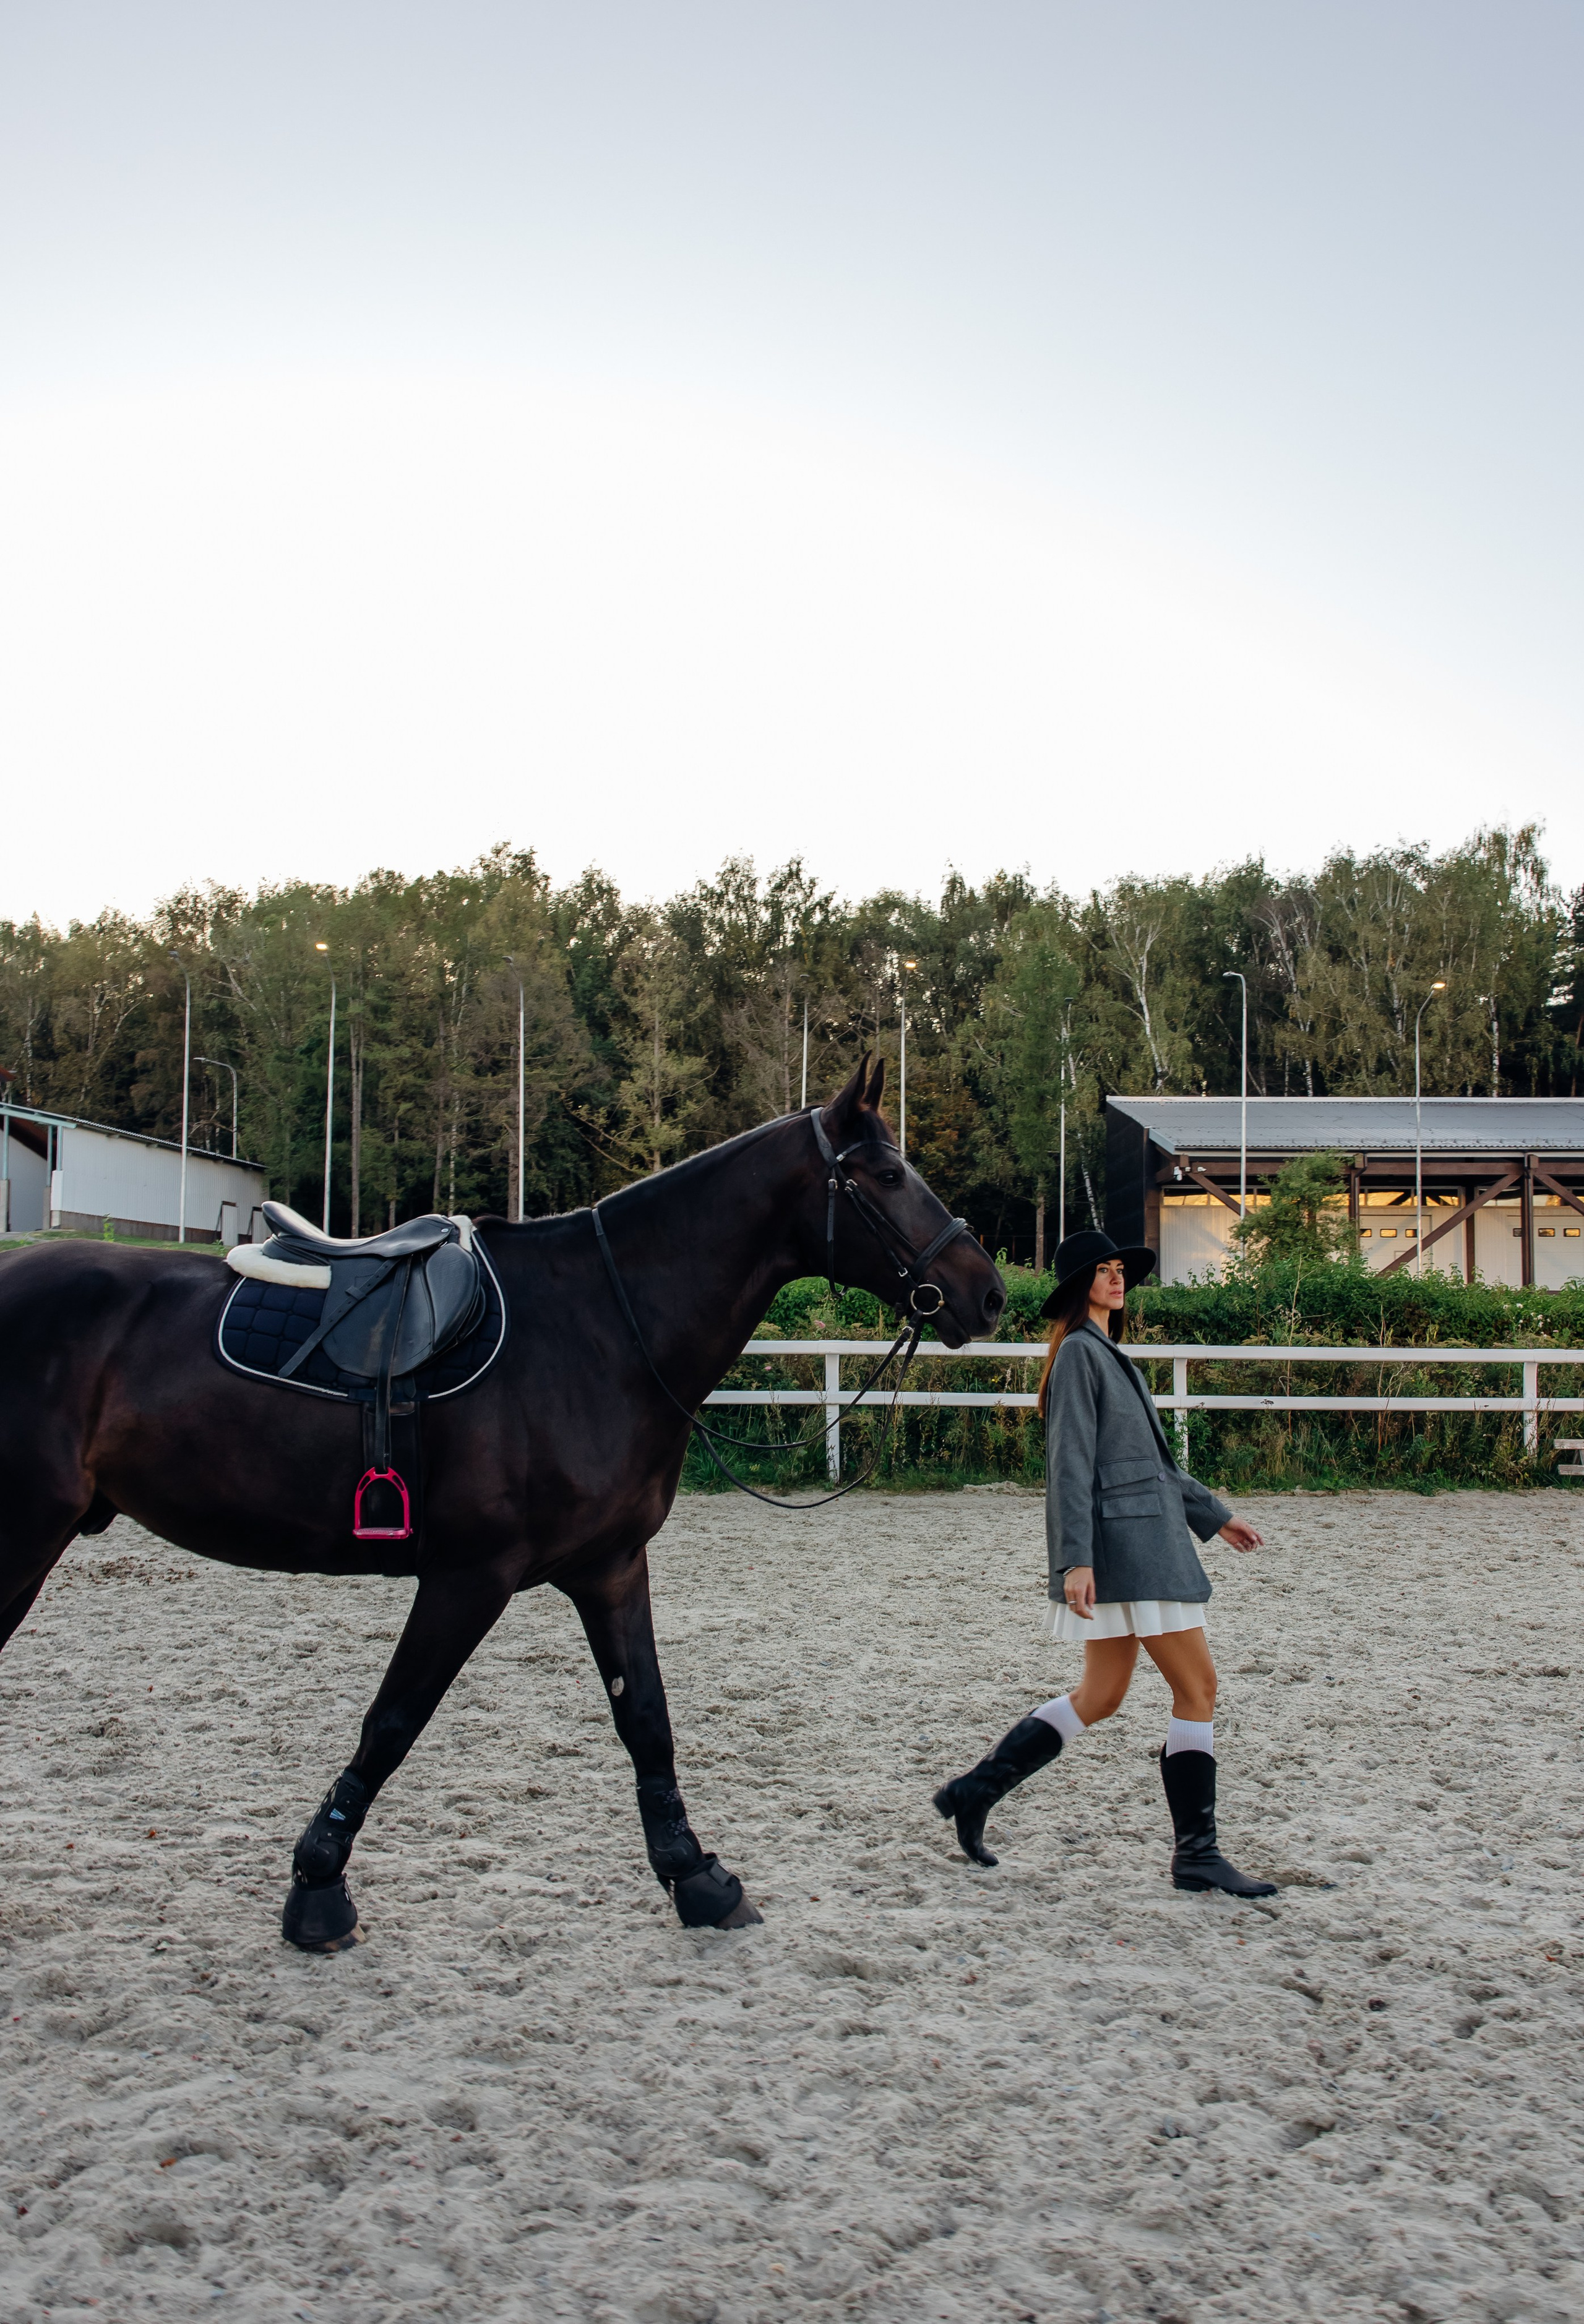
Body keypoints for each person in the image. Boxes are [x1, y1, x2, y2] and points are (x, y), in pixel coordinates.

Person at [933, 1228, 1276, 1898]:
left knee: (1102, 1695)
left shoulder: (1107, 1354)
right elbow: (1070, 1467)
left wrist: (1214, 1513)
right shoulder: (1079, 1359)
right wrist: (1072, 1562)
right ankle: (1197, 1854)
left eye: (1121, 1269)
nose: (1117, 1278)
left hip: (1139, 1543)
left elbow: (1152, 1468)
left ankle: (975, 1791)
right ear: (1078, 1284)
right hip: (1131, 1553)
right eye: (1104, 1269)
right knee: (1198, 1688)